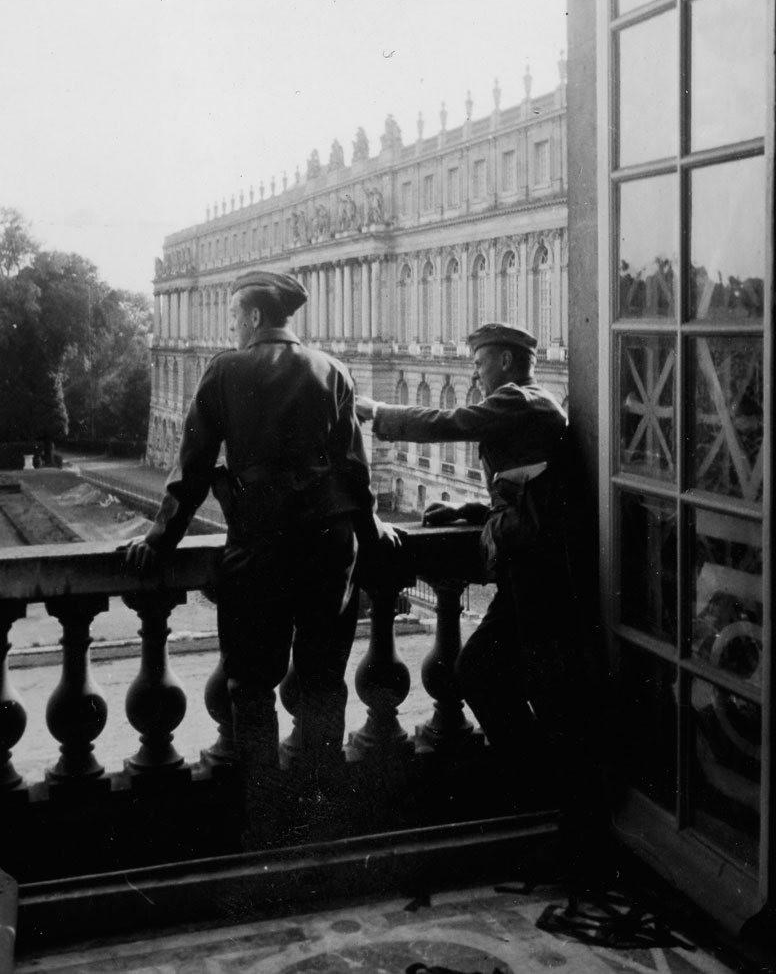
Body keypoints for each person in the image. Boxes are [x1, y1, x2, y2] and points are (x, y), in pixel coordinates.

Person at [126, 269, 398, 825]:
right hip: (330, 549)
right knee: (323, 682)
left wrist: (159, 540)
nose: (230, 329)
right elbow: (355, 473)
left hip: (262, 545)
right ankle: (322, 810)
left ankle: (267, 814)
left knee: (251, 685)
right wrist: (372, 536)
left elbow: (192, 472)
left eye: (232, 319)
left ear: (252, 318)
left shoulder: (225, 370)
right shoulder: (334, 369)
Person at [356, 323, 597, 841]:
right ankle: (542, 795)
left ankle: (544, 796)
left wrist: (378, 414)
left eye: (481, 361)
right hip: (530, 572)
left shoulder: (521, 400)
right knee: (500, 675)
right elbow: (523, 487)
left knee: (499, 675)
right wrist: (467, 507)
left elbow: (453, 421)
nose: (475, 370)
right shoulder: (531, 404)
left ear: (506, 362)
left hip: (538, 577)